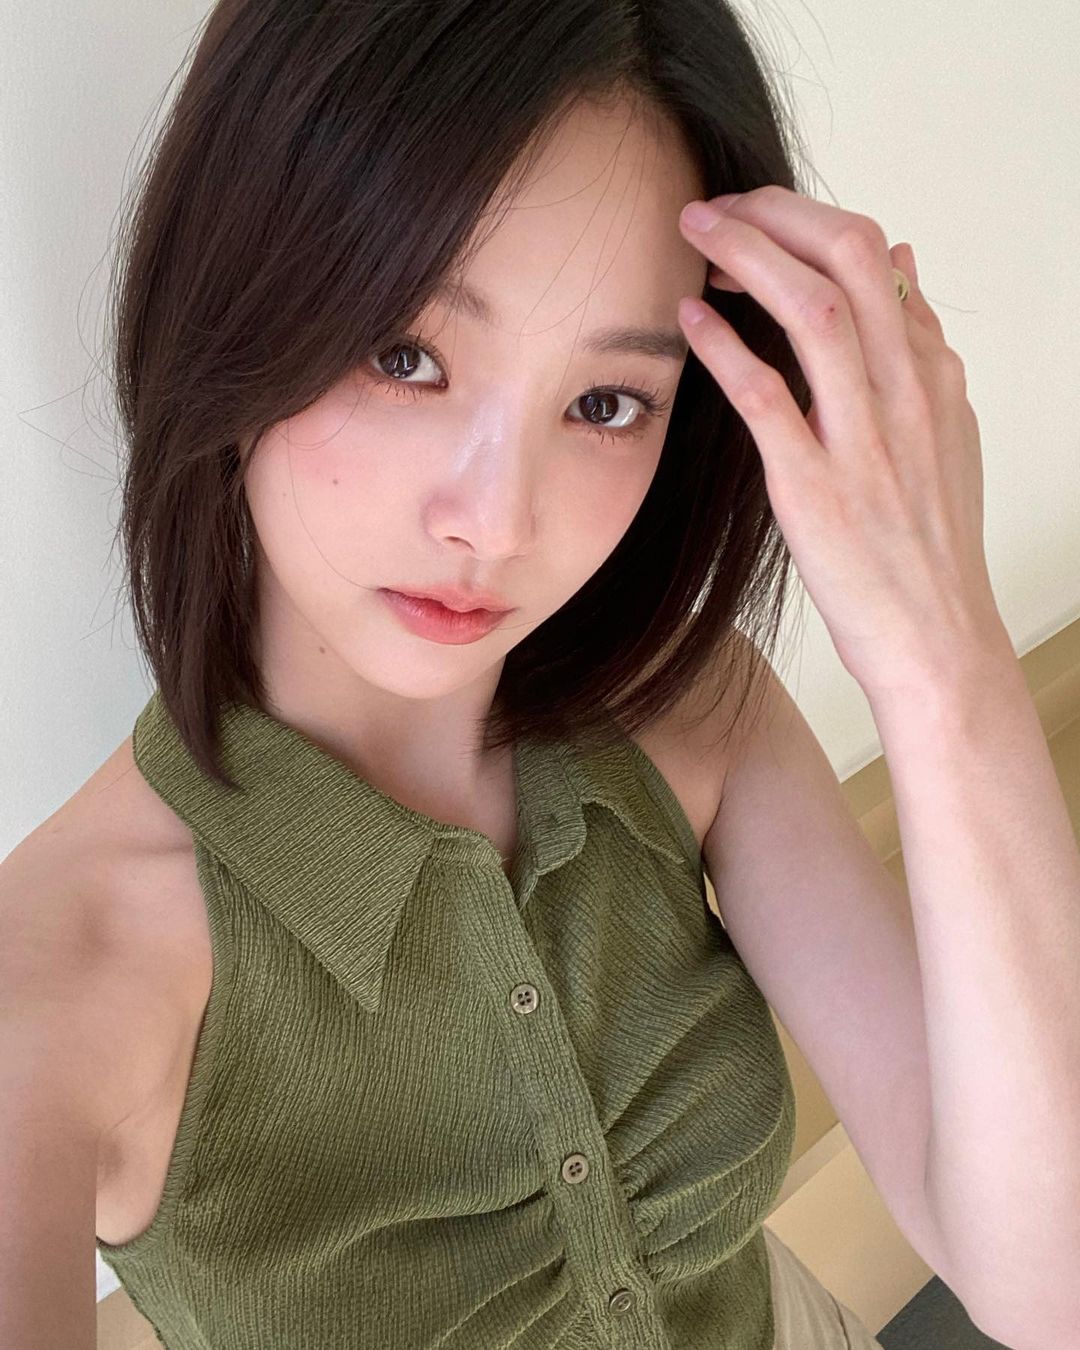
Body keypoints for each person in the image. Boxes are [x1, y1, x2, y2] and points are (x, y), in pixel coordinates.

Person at [2, 1, 888, 1346]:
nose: (498, 521)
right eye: (404, 355)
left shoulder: (687, 703)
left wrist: (933, 640)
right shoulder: (73, 965)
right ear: (233, 305)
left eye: (605, 403)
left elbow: (1044, 1261)